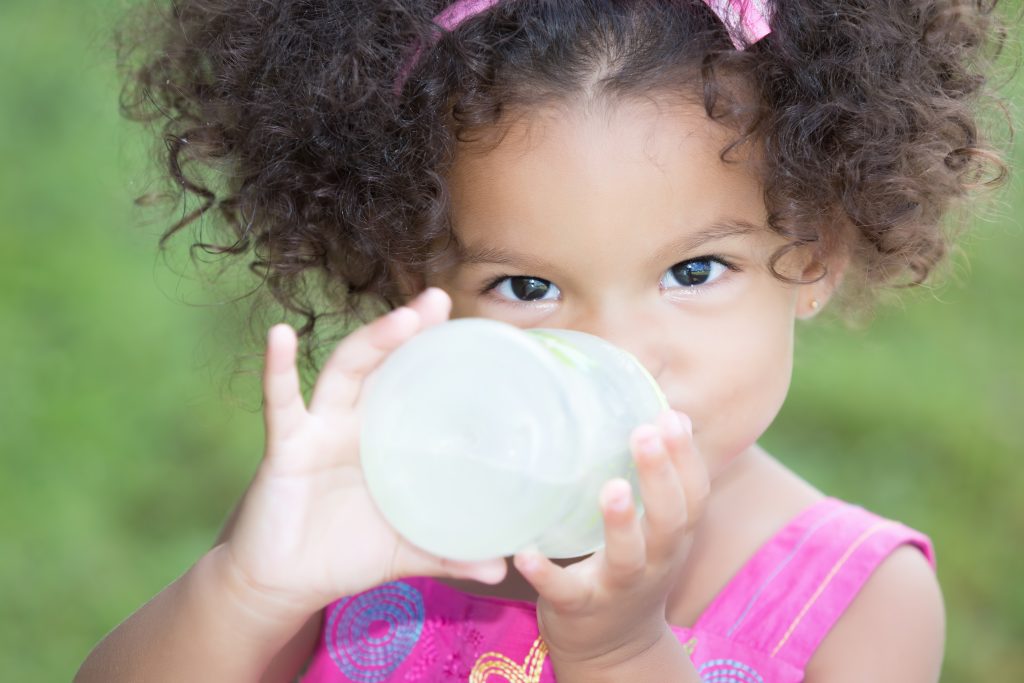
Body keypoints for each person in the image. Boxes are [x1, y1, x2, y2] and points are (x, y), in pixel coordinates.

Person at [78, 0, 1009, 681]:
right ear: (421, 286)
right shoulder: (375, 502)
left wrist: (620, 651)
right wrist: (247, 589)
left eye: (693, 272)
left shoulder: (858, 600)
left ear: (813, 256)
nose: (618, 349)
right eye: (528, 287)